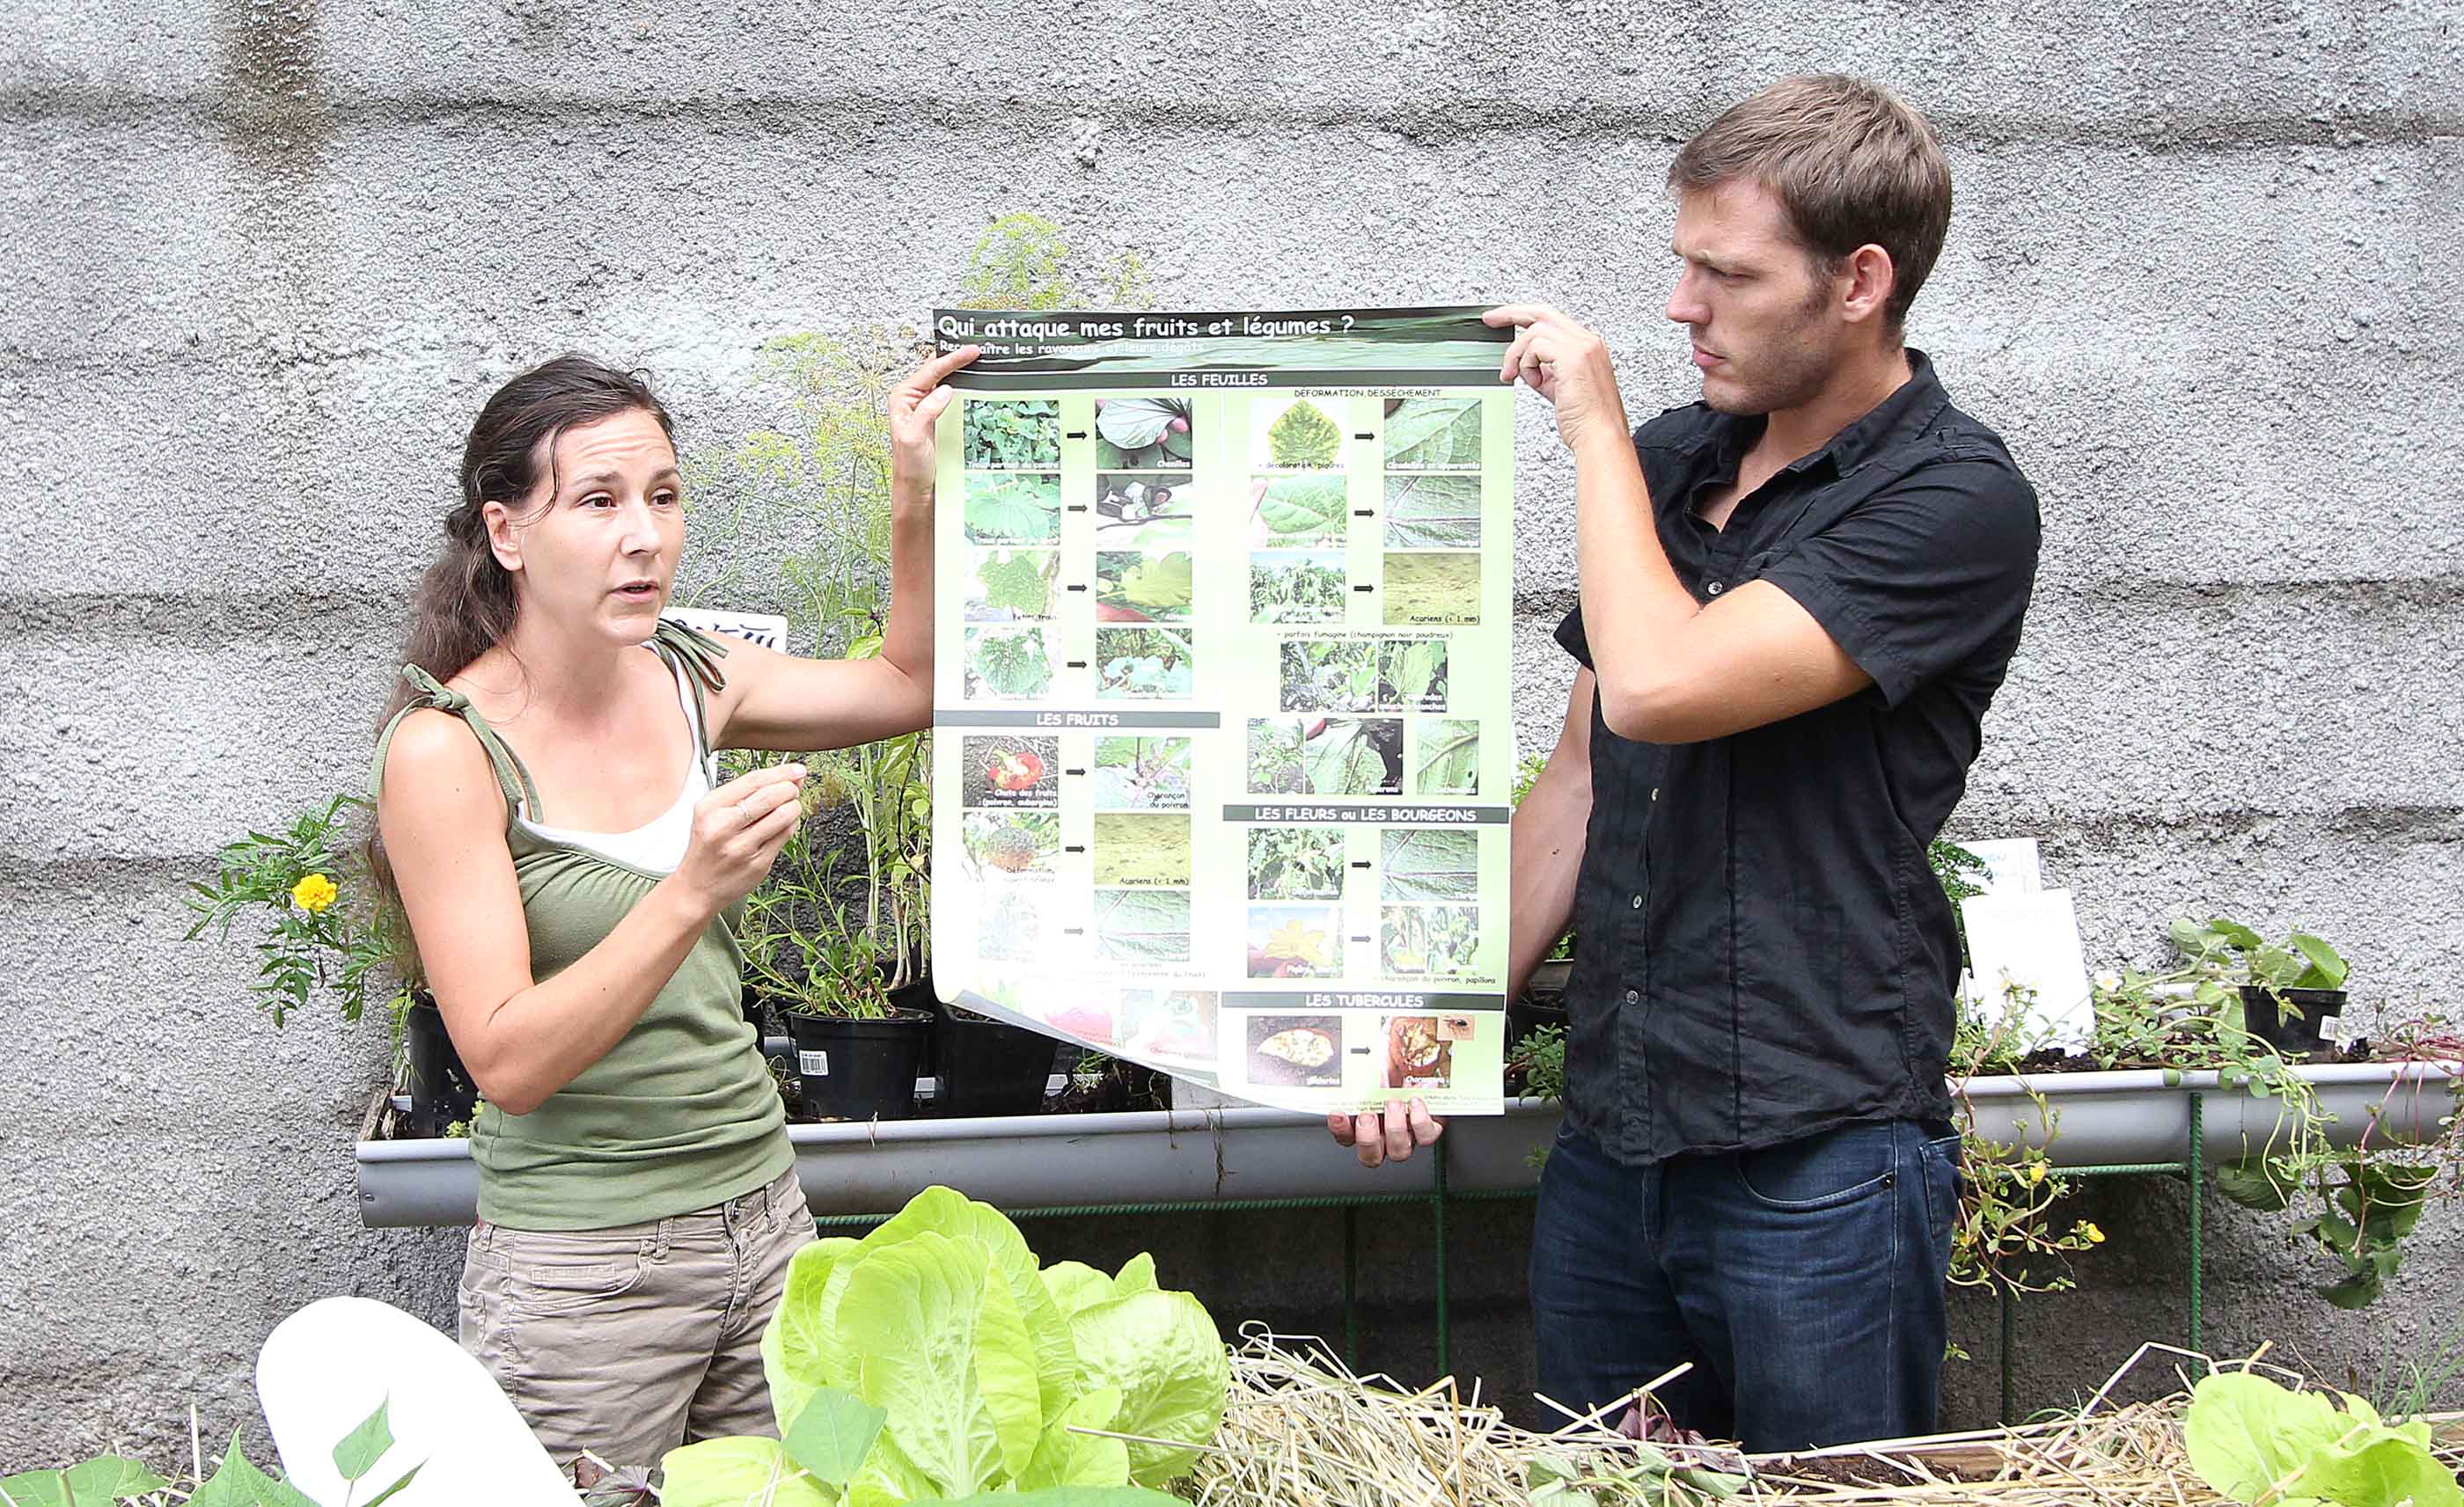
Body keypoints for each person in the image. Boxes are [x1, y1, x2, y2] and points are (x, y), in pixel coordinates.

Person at [1331, 74, 2042, 1452]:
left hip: (1819, 1157)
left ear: (1860, 282)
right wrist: (1431, 1025)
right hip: (1615, 1145)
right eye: (1680, 263)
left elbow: (1661, 687)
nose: (1680, 308)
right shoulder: (1669, 466)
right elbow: (1584, 778)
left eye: (1726, 272)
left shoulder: (1956, 500)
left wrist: (1590, 428)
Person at [370, 344, 974, 1470]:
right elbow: (505, 1061)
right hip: (584, 1271)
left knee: (805, 1495)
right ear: (506, 534)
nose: (644, 534)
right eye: (596, 501)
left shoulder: (693, 676)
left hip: (767, 1213)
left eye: (662, 496)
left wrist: (913, 486)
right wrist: (690, 891)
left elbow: (911, 686)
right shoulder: (446, 750)